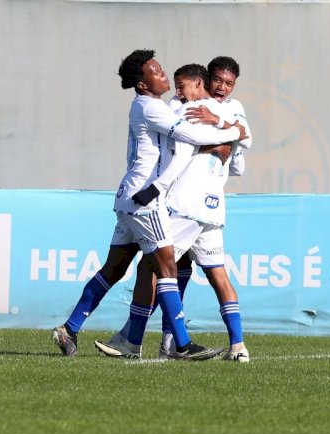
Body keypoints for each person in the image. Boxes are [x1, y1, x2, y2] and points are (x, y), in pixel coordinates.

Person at [51, 49, 245, 360]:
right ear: (143, 84)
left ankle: (70, 328)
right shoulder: (151, 107)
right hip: (144, 200)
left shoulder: (152, 105)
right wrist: (235, 132)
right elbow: (188, 134)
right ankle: (180, 344)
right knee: (165, 265)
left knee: (114, 269)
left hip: (131, 196)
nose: (164, 74)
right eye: (156, 71)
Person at [108, 57, 252, 362]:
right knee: (212, 274)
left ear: (197, 83)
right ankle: (236, 346)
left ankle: (133, 336)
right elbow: (241, 151)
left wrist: (215, 134)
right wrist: (228, 136)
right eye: (219, 81)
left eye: (228, 83)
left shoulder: (188, 107)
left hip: (187, 203)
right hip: (214, 208)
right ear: (208, 79)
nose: (222, 88)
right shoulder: (234, 111)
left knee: (153, 267)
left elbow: (181, 141)